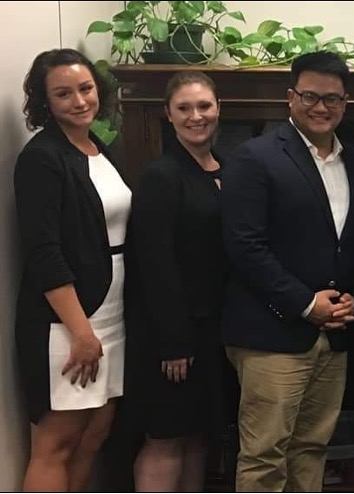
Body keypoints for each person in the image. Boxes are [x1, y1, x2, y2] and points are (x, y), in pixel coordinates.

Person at [220, 51, 354, 492]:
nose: (321, 107)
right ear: (290, 97)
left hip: (335, 333)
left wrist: (353, 297)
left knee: (312, 447)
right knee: (265, 454)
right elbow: (244, 247)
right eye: (310, 96)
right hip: (272, 334)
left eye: (333, 99)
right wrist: (307, 305)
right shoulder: (254, 157)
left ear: (346, 103)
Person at [13, 48, 130, 491]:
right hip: (67, 323)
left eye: (85, 89)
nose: (79, 101)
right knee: (56, 445)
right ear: (45, 102)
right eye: (63, 94)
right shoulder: (42, 157)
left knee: (92, 438)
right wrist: (80, 332)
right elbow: (44, 253)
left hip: (110, 312)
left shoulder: (99, 147)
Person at [126, 70, 230, 492]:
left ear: (218, 108)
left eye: (203, 106)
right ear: (168, 115)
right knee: (165, 438)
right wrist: (174, 342)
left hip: (213, 330)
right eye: (184, 108)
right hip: (173, 338)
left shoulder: (224, 168)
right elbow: (155, 263)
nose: (196, 116)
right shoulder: (161, 176)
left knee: (197, 434)